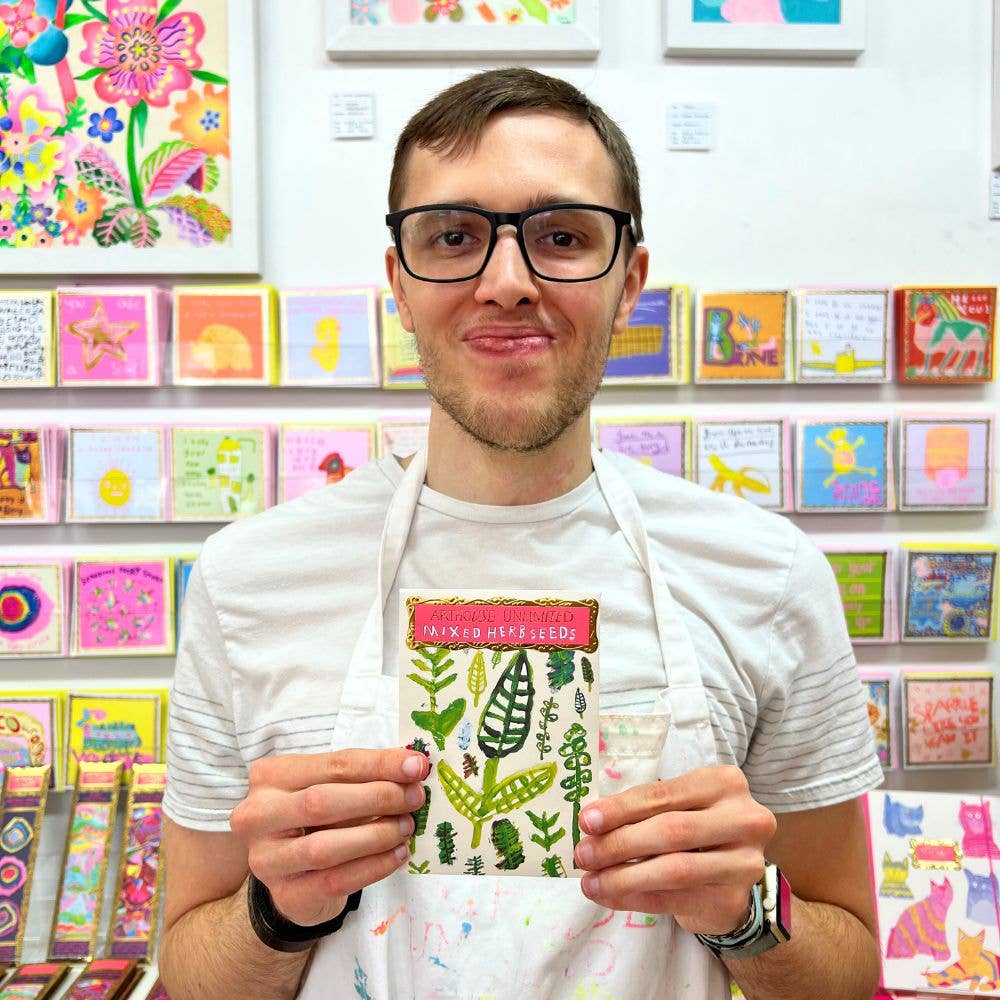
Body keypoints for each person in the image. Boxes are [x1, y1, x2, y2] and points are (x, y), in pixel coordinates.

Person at [158, 68, 883, 1000]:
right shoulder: (246, 579)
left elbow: (849, 971)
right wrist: (274, 910)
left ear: (630, 282)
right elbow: (190, 967)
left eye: (564, 237)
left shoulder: (767, 575)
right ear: (400, 283)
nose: (506, 283)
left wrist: (747, 913)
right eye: (454, 237)